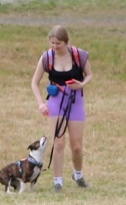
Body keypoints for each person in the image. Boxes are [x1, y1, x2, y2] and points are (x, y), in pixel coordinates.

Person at [30, 25, 94, 192]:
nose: (55, 46)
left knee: (77, 145)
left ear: (66, 42)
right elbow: (34, 82)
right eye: (52, 43)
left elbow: (89, 75)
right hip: (56, 101)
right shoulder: (47, 57)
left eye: (58, 43)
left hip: (75, 101)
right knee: (58, 143)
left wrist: (81, 84)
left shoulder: (79, 55)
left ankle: (78, 175)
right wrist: (41, 103)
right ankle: (57, 182)